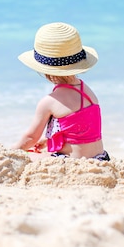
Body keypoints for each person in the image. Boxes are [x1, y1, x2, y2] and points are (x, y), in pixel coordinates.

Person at [12, 22, 110, 161]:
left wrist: (9, 151)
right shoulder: (86, 90)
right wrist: (50, 141)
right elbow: (81, 132)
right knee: (43, 153)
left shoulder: (49, 102)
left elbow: (30, 138)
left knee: (31, 156)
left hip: (73, 163)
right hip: (101, 159)